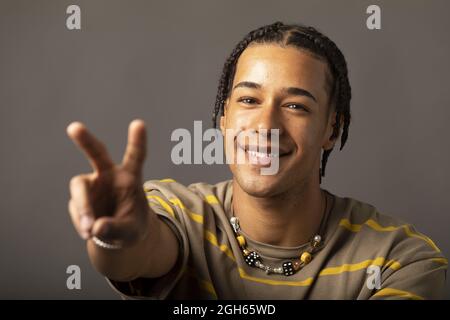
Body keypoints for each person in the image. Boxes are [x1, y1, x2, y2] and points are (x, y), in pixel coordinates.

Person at [66, 22, 447, 299]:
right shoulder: (178, 213)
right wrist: (116, 236)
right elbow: (139, 253)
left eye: (296, 106)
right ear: (224, 119)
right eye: (248, 100)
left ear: (332, 129)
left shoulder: (399, 260)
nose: (266, 125)